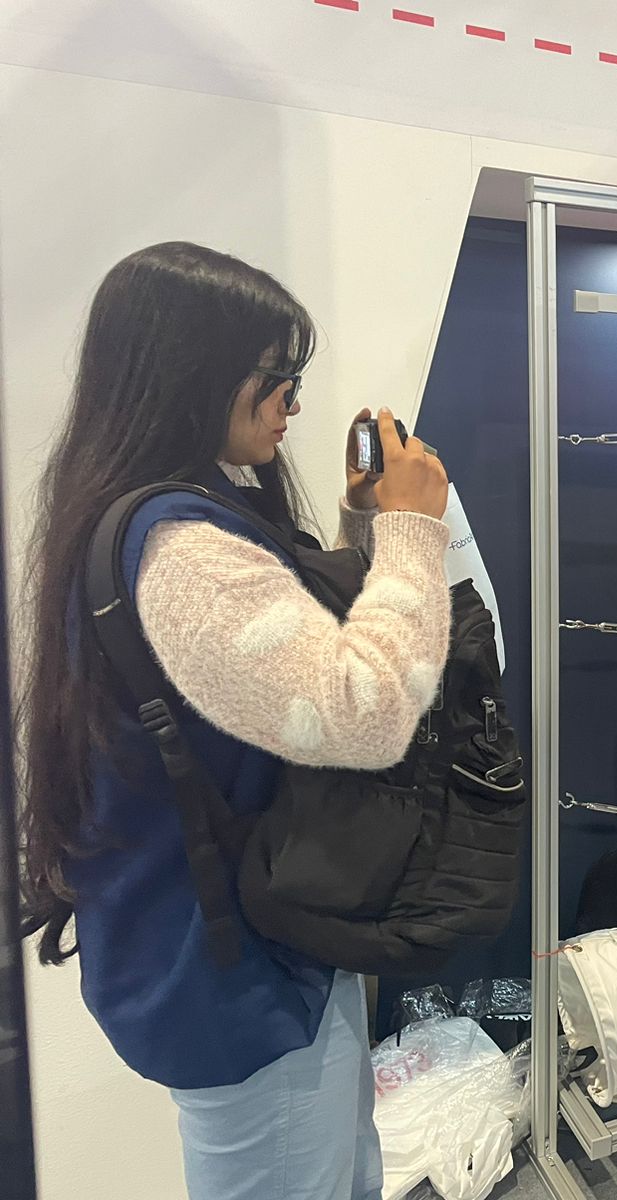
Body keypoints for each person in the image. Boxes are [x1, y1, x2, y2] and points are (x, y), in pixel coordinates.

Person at [17, 242, 453, 1199]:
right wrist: (415, 531)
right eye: (276, 377)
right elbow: (363, 712)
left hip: (254, 943)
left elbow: (290, 659)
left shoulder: (165, 515)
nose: (292, 402)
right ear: (195, 375)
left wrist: (363, 523)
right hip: (242, 978)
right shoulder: (181, 549)